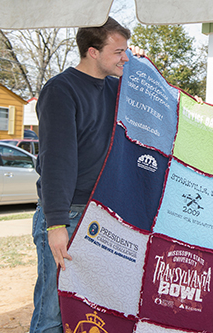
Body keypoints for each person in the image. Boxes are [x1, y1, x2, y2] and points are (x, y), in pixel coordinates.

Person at [30, 17, 140, 333]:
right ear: (93, 52)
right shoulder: (60, 91)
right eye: (119, 51)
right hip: (68, 215)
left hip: (101, 215)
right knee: (53, 312)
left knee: (91, 310)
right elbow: (56, 162)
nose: (126, 58)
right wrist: (56, 224)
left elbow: (154, 103)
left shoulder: (117, 88)